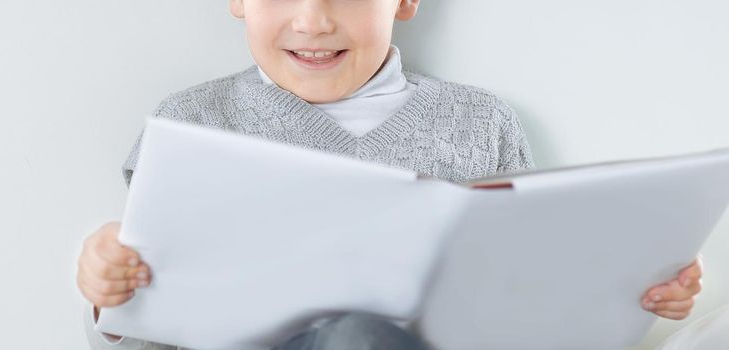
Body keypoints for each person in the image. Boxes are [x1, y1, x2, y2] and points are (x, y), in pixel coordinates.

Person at [76, 1, 704, 349]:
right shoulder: (195, 121)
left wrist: (635, 291)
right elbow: (149, 325)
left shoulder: (475, 120)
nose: (313, 20)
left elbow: (529, 291)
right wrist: (109, 291)